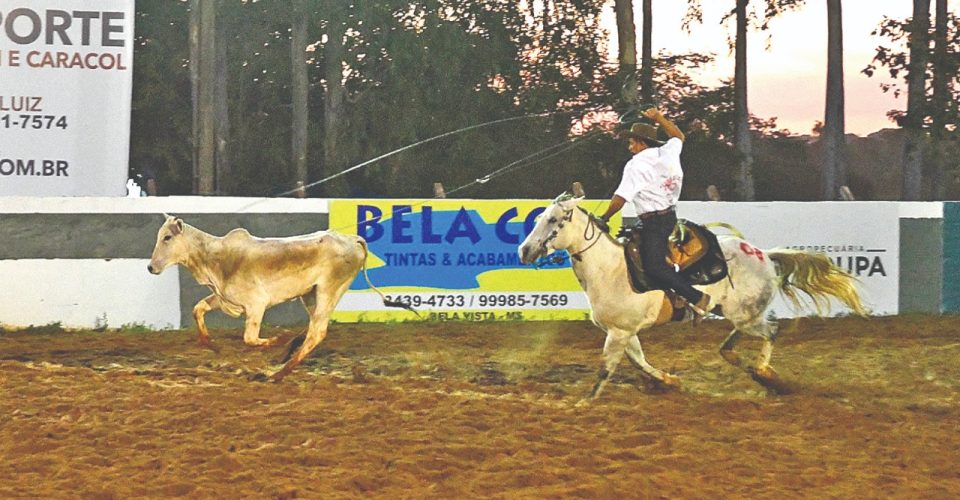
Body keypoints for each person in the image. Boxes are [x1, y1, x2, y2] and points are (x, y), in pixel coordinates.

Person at [597, 107, 711, 319]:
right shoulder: (668, 151)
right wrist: (659, 117)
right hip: (667, 217)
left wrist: (603, 218)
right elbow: (678, 136)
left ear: (640, 142)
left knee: (654, 266)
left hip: (654, 223)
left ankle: (696, 297)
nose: (630, 147)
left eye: (631, 142)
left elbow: (620, 198)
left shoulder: (636, 165)